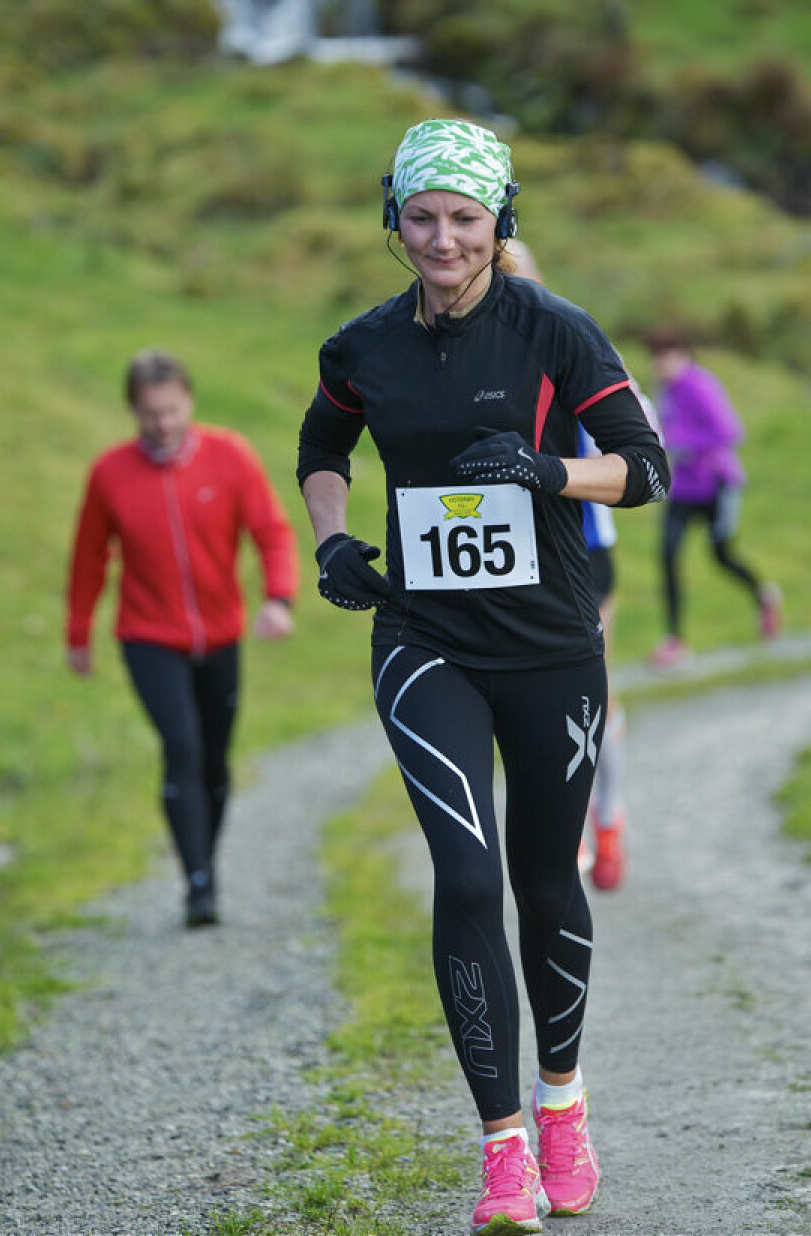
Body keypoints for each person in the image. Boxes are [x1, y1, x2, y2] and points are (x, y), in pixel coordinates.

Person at [297, 119, 670, 1231]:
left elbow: (644, 468)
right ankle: (502, 1147)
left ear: (499, 222)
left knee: (544, 884)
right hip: (426, 643)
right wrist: (331, 542)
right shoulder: (364, 346)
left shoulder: (555, 331)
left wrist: (553, 472)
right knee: (465, 880)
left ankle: (563, 1104)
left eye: (465, 218)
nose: (443, 239)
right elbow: (323, 448)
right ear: (394, 219)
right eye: (422, 216)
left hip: (553, 649)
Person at [66, 349, 299, 928]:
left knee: (215, 761)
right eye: (150, 414)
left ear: (188, 401)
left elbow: (271, 531)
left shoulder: (229, 456)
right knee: (183, 747)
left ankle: (204, 860)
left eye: (171, 411)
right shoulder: (109, 474)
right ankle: (199, 881)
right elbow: (88, 558)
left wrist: (279, 598)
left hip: (220, 636)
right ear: (133, 411)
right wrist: (78, 633)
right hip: (148, 635)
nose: (163, 425)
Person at [504, 239, 662, 892]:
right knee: (521, 702)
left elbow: (641, 439)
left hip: (581, 552)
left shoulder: (572, 341)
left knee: (591, 693)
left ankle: (607, 822)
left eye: (518, 281)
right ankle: (558, 834)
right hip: (502, 559)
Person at [646, 326, 782, 669]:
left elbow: (729, 431)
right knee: (667, 554)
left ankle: (764, 595)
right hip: (684, 489)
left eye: (664, 360)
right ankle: (674, 640)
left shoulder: (700, 384)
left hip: (718, 484)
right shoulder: (666, 390)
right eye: (655, 361)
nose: (659, 367)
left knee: (721, 554)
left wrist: (680, 440)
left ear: (682, 355)